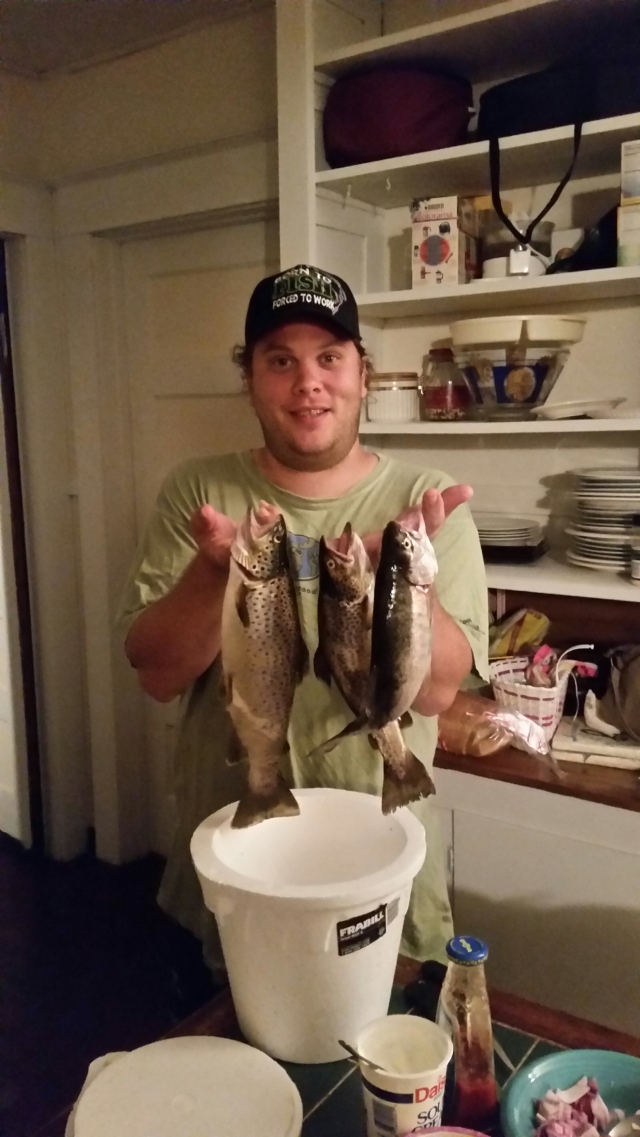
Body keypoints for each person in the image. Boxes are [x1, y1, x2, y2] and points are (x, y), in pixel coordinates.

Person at [117, 263, 488, 975]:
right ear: (250, 378)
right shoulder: (198, 491)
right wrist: (213, 569)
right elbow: (156, 674)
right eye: (280, 359)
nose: (307, 381)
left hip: (375, 841)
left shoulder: (427, 497)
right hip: (235, 842)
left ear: (363, 374)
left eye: (329, 357)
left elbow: (439, 691)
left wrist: (408, 575)